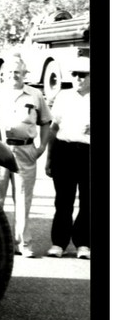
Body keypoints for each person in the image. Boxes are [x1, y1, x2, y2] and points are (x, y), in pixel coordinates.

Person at [0, 57, 52, 257]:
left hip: (25, 151)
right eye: (10, 72)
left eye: (18, 72)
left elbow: (46, 122)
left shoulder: (35, 95)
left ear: (24, 74)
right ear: (3, 74)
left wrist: (41, 147)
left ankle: (23, 244)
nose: (13, 76)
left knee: (23, 199)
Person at [43, 56, 91, 259]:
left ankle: (83, 243)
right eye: (75, 74)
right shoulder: (63, 96)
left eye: (83, 75)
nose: (78, 79)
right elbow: (54, 128)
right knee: (63, 200)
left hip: (88, 152)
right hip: (65, 150)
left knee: (88, 200)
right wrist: (49, 158)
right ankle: (59, 243)